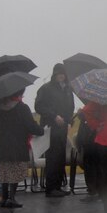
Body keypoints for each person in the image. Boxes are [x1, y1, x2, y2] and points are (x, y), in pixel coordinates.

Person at [0, 89, 45, 209]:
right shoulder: (22, 108)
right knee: (15, 171)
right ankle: (12, 198)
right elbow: (30, 125)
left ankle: (4, 198)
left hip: (1, 144)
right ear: (19, 93)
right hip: (17, 144)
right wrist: (41, 130)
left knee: (4, 171)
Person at [34, 63, 75, 197]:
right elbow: (39, 106)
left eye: (63, 74)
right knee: (52, 157)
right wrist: (53, 116)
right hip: (50, 128)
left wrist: (69, 121)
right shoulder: (46, 89)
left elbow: (70, 108)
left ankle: (58, 186)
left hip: (62, 128)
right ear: (54, 74)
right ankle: (51, 188)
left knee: (60, 157)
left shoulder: (68, 90)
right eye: (58, 74)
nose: (61, 76)